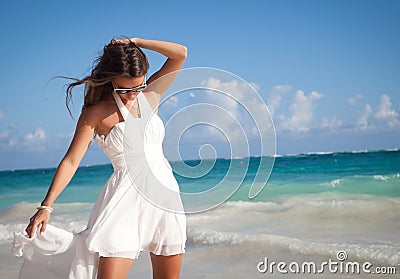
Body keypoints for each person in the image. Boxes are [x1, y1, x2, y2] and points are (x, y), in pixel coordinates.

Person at [12, 37, 188, 279]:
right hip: (123, 201)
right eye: (124, 89)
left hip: (164, 195)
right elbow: (71, 160)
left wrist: (136, 42)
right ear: (111, 79)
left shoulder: (150, 96)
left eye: (137, 87)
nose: (131, 95)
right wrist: (46, 206)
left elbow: (180, 53)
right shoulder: (95, 113)